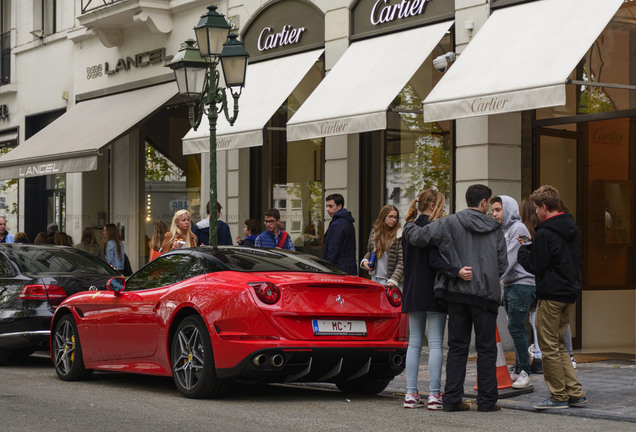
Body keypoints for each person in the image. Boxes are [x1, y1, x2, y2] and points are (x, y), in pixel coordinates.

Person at [403, 184, 508, 412]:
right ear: (483, 203)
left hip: (457, 294)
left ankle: (451, 400)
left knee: (458, 347)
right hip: (485, 296)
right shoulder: (495, 228)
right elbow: (502, 264)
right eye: (488, 202)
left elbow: (419, 237)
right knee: (487, 349)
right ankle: (487, 402)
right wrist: (486, 278)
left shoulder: (449, 222)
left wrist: (408, 226)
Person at [516, 185, 586, 410]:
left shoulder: (546, 232)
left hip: (551, 296)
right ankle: (575, 392)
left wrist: (523, 252)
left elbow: (535, 265)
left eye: (537, 208)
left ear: (544, 207)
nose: (535, 212)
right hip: (569, 293)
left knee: (548, 347)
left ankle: (559, 396)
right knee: (559, 345)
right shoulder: (570, 227)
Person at [401, 189, 472, 410]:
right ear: (432, 207)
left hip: (412, 290)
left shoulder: (408, 228)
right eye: (441, 206)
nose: (443, 210)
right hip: (433, 290)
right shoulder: (436, 228)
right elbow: (435, 260)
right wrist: (456, 271)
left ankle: (411, 394)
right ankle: (434, 395)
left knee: (413, 344)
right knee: (434, 345)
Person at [491, 195, 536, 390]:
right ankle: (519, 367)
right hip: (511, 284)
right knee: (515, 327)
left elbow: (508, 260)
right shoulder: (503, 230)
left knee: (516, 327)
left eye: (498, 210)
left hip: (522, 284)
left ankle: (525, 371)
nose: (494, 214)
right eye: (493, 210)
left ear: (508, 209)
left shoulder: (519, 229)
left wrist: (491, 277)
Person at [520, 197, 544, 374]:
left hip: (526, 280)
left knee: (525, 321)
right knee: (535, 319)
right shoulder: (538, 230)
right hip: (537, 280)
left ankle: (535, 354)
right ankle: (538, 353)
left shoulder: (523, 232)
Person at [360, 205, 404, 288]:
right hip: (374, 277)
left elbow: (401, 261)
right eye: (390, 217)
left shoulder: (399, 235)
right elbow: (371, 251)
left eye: (395, 217)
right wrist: (365, 260)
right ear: (383, 216)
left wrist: (393, 279)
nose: (393, 220)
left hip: (389, 280)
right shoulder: (376, 232)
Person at [322, 193, 357, 275]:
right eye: (326, 206)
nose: (327, 209)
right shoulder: (345, 221)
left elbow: (333, 248)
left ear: (339, 206)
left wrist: (326, 268)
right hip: (345, 268)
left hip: (338, 270)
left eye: (330, 206)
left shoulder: (339, 223)